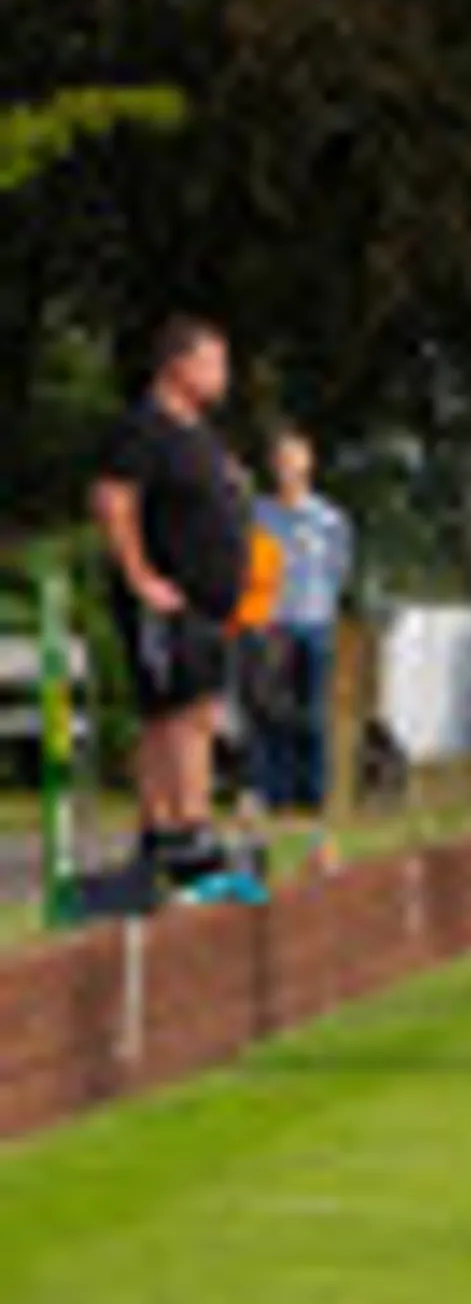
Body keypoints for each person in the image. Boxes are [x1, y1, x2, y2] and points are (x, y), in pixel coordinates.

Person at [91, 318, 250, 889]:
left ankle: (165, 834)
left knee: (191, 709)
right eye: (214, 363)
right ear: (178, 366)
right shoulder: (144, 428)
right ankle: (187, 831)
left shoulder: (199, 433)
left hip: (209, 604)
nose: (223, 377)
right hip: (167, 598)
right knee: (180, 712)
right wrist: (139, 576)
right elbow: (113, 500)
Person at [252, 425, 355, 817]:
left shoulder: (329, 520)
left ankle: (313, 795)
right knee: (273, 711)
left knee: (313, 712)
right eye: (280, 460)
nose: (286, 467)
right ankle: (275, 793)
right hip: (272, 622)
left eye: (294, 458)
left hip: (314, 622)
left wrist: (324, 606)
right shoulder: (259, 514)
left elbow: (340, 569)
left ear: (308, 464)